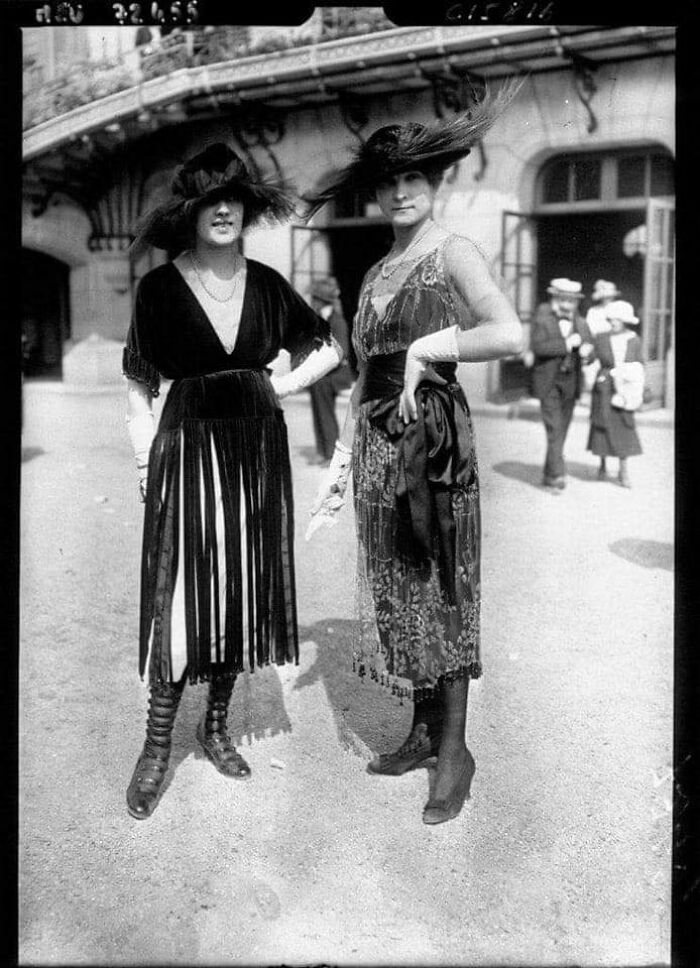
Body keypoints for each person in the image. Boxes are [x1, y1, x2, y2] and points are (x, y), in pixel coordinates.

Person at [304, 84, 523, 825]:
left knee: (443, 590)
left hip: (432, 446)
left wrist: (434, 345)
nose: (401, 193)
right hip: (375, 445)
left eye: (413, 180)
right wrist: (341, 459)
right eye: (389, 182)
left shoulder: (452, 252)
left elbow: (508, 332)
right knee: (400, 591)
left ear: (435, 185)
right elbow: (364, 364)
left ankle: (455, 751)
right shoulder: (375, 269)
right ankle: (424, 731)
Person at [122, 143, 343, 819]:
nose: (222, 210)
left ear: (246, 210)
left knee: (234, 592)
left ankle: (214, 728)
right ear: (188, 215)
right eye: (208, 201)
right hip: (186, 451)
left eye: (234, 200)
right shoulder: (159, 288)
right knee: (182, 597)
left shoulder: (271, 283)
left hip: (254, 453)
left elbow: (328, 346)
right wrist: (141, 466)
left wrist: (275, 385)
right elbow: (137, 385)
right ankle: (157, 746)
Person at [530, 278, 594, 491]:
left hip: (571, 383)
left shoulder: (582, 323)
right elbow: (538, 347)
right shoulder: (542, 317)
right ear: (555, 298)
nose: (568, 305)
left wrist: (587, 352)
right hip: (548, 382)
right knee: (554, 428)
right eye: (563, 300)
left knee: (562, 430)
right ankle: (558, 475)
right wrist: (566, 344)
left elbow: (591, 348)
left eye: (572, 301)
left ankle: (549, 473)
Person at [586, 299, 644, 488]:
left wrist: (631, 380)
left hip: (624, 388)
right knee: (601, 423)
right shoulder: (601, 337)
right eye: (610, 319)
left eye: (617, 319)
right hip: (604, 387)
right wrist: (588, 355)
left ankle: (623, 470)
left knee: (624, 426)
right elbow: (593, 359)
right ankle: (602, 465)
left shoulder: (634, 340)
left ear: (625, 320)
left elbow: (638, 364)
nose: (613, 322)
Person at [307, 276, 353, 465]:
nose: (311, 302)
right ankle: (323, 450)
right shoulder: (320, 319)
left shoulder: (337, 320)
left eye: (313, 299)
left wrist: (321, 365)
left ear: (320, 300)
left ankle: (332, 454)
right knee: (316, 391)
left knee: (322, 393)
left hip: (336, 375)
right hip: (324, 373)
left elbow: (341, 352)